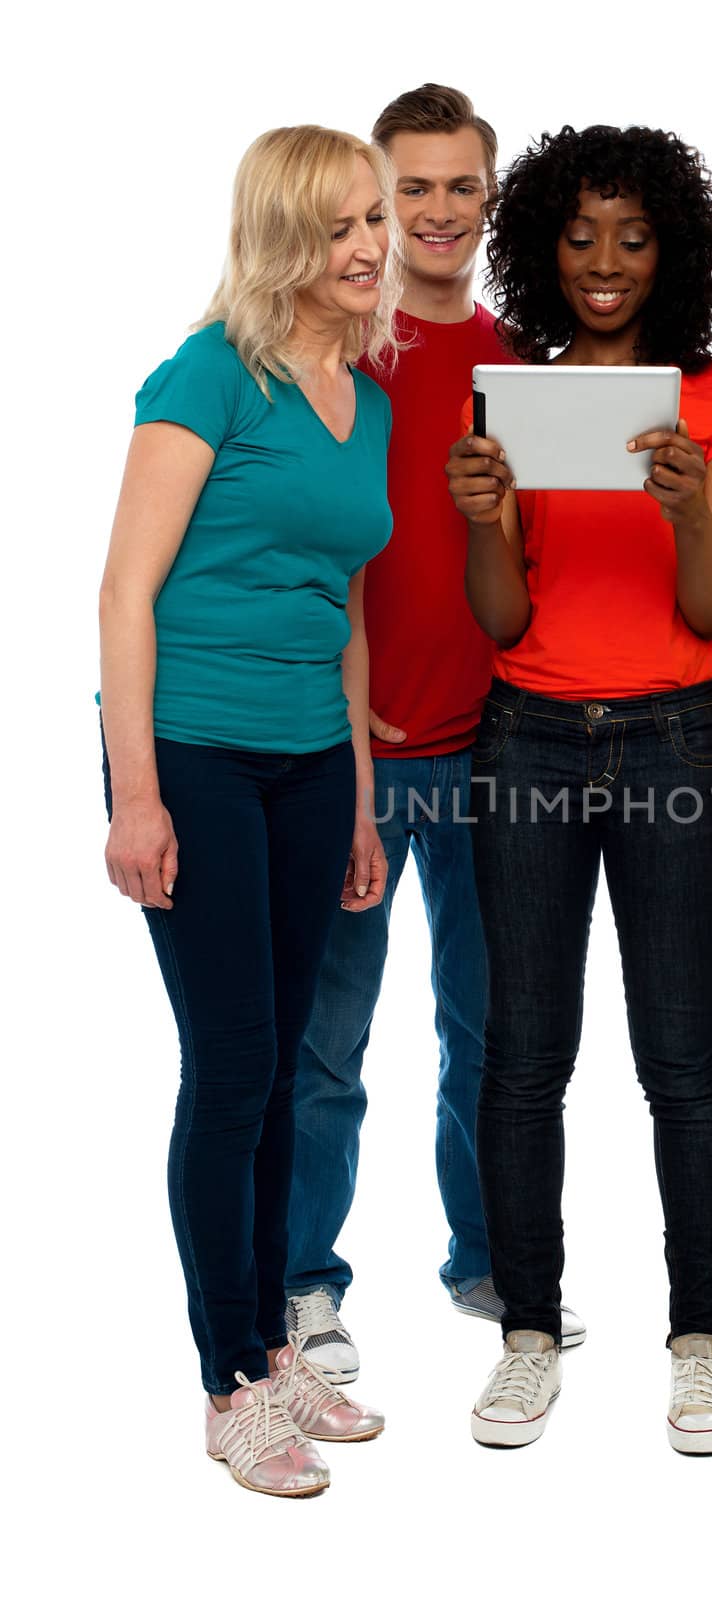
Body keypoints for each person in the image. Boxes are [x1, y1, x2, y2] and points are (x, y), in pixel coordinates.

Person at [446, 123, 712, 1454]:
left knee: (682, 1053)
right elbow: (500, 614)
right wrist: (483, 518)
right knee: (523, 1056)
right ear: (541, 247)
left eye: (632, 238)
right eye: (578, 236)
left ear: (674, 253)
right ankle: (530, 1333)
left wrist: (689, 503)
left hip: (673, 742)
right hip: (525, 739)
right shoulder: (515, 397)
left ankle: (699, 1341)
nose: (602, 262)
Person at [99, 125, 394, 1496]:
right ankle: (227, 1387)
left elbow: (344, 612)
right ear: (282, 235)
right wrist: (138, 792)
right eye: (338, 226)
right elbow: (124, 594)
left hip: (307, 762)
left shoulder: (366, 394)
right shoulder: (207, 375)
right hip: (198, 756)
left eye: (375, 221)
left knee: (280, 1071)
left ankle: (276, 1357)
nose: (369, 247)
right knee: (231, 1072)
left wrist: (359, 806)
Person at [283, 86, 585, 1382]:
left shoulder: (522, 369)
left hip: (496, 757)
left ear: (490, 198)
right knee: (326, 1042)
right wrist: (339, 707)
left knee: (497, 1034)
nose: (440, 211)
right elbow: (295, 551)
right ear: (378, 199)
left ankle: (492, 1260)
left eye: (463, 186)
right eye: (414, 188)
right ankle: (302, 1280)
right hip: (356, 755)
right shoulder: (339, 356)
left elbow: (559, 561)